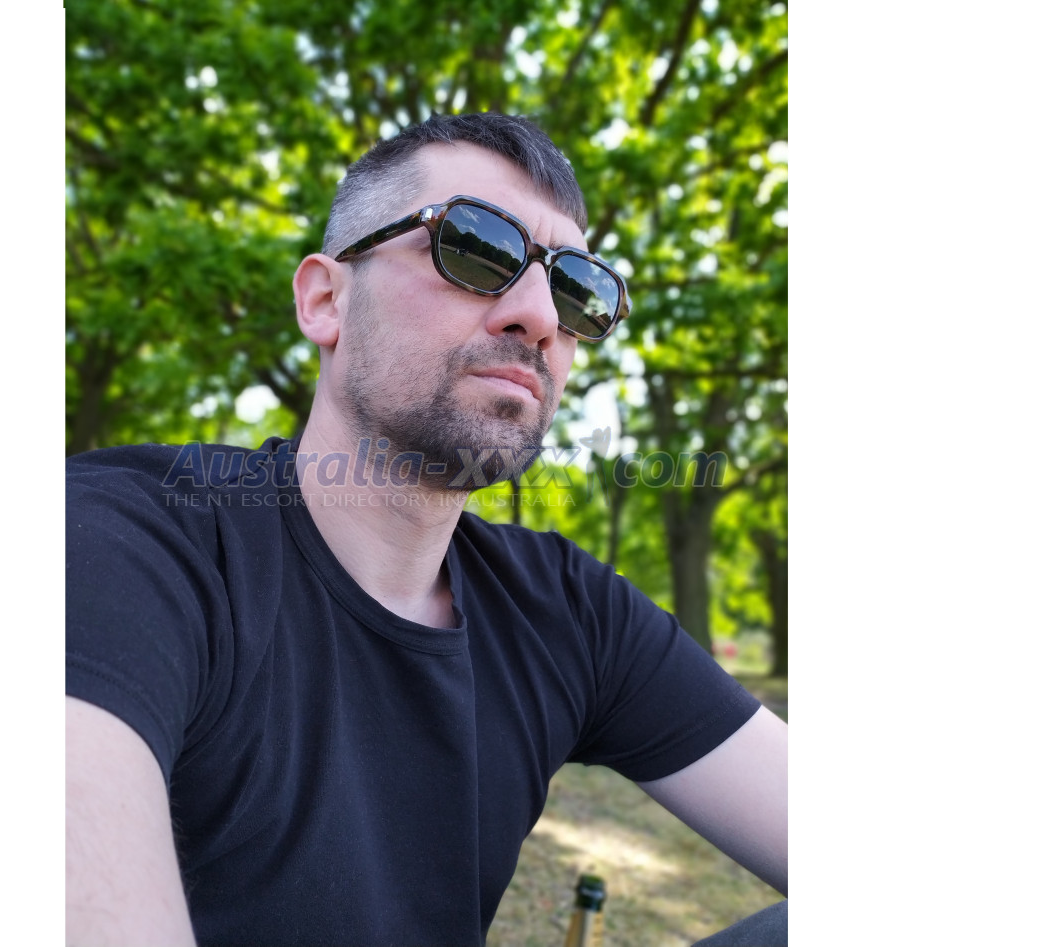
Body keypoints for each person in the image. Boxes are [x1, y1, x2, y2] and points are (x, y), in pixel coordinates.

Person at [66, 111, 788, 947]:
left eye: (576, 289)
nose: (539, 316)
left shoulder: (569, 611)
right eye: (475, 248)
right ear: (326, 299)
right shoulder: (124, 544)